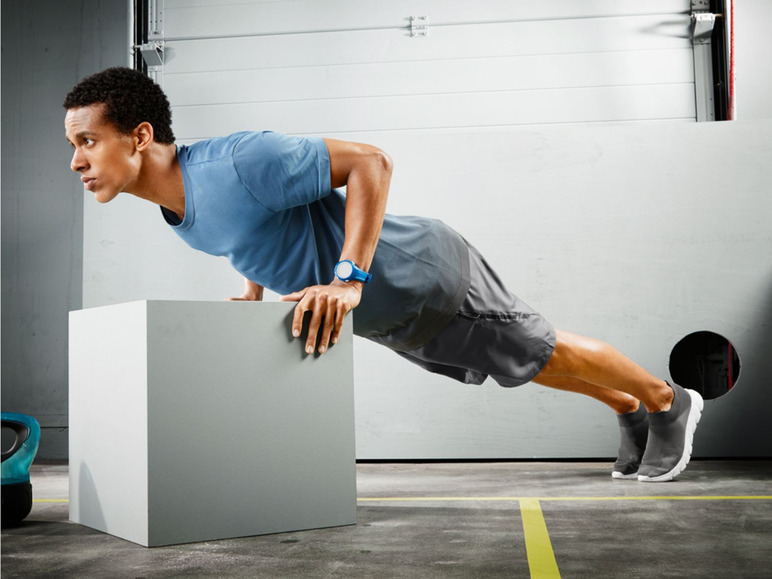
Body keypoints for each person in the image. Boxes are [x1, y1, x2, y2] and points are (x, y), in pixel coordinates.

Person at [63, 67, 702, 482]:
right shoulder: (177, 209)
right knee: (518, 365)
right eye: (73, 147)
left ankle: (669, 401)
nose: (76, 161)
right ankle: (628, 406)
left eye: (87, 141)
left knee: (538, 346)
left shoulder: (238, 161)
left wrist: (347, 278)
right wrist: (252, 291)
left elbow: (371, 161)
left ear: (140, 135)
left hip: (416, 272)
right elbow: (250, 236)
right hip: (387, 315)